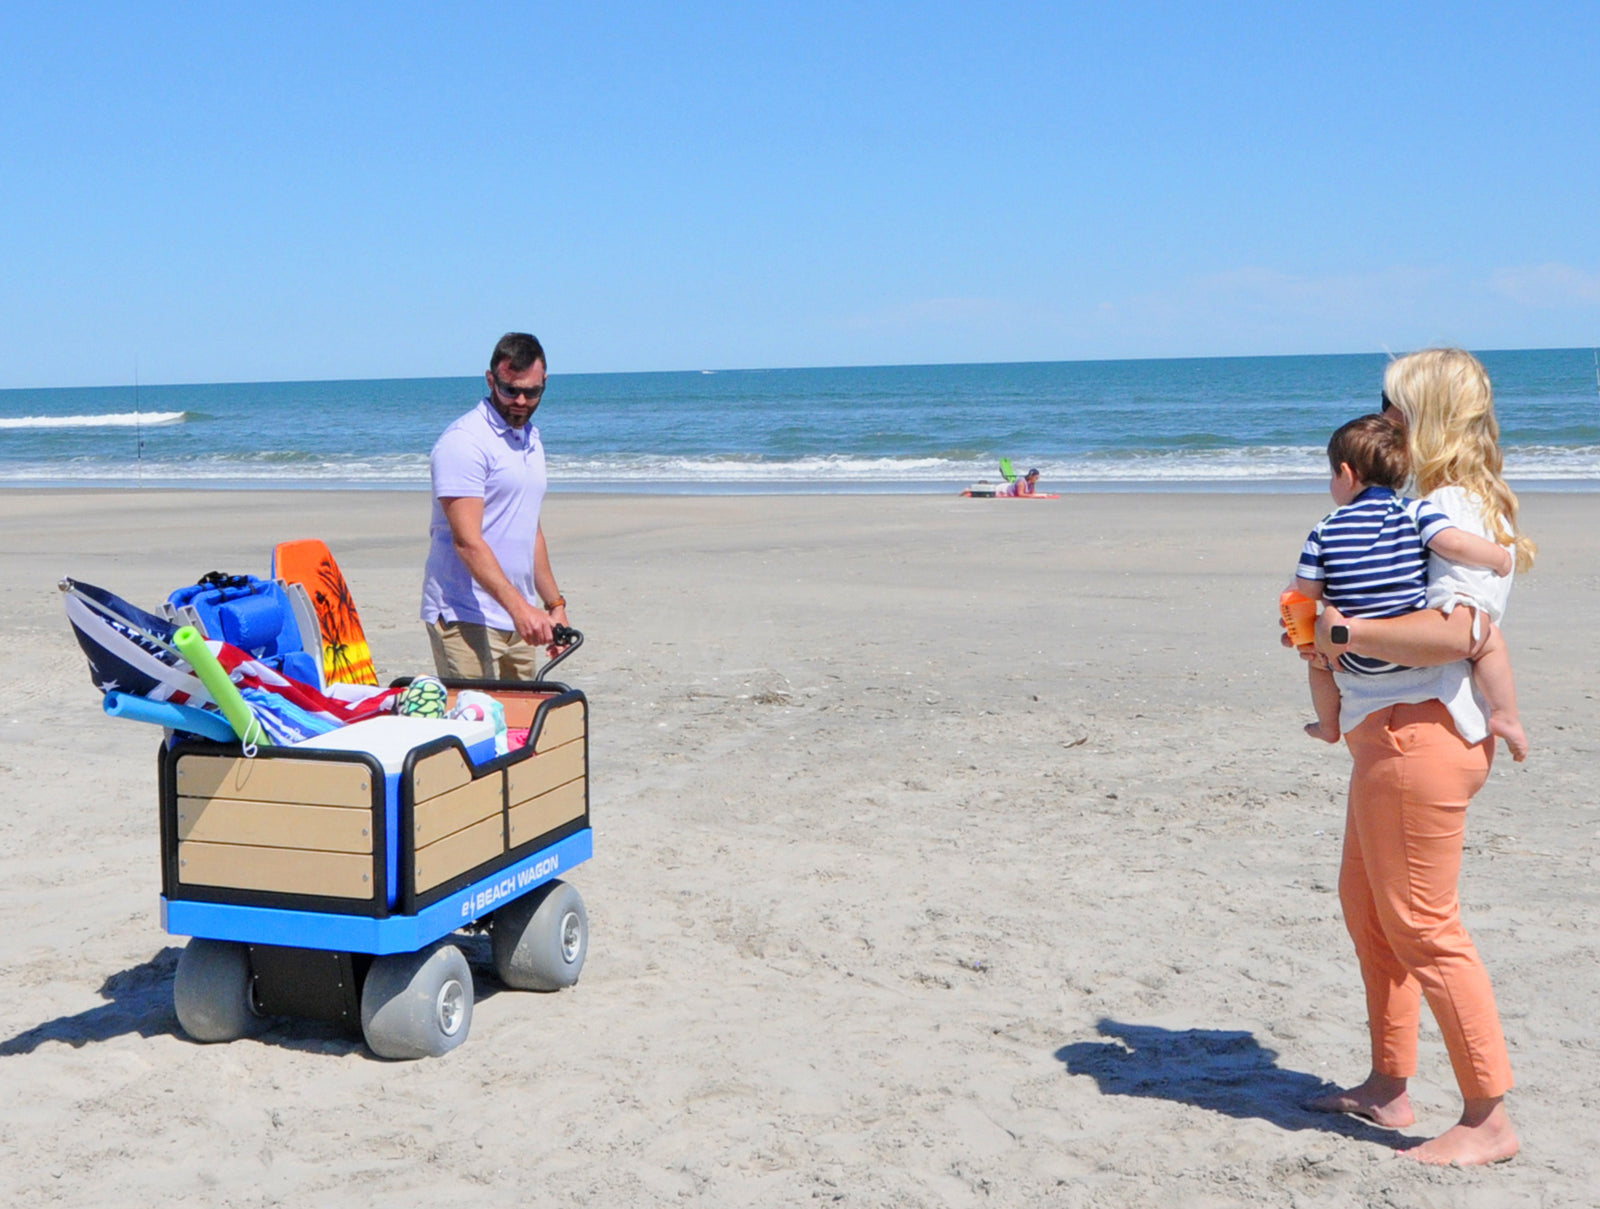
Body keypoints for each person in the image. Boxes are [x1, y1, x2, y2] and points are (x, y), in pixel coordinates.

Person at [1299, 348, 1535, 1166]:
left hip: (1421, 734)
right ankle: (1389, 1081)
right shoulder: (1416, 502)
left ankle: (1487, 1116)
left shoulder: (1452, 505)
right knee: (1370, 916)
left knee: (1426, 928)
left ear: (1426, 412)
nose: (1385, 418)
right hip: (1385, 734)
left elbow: (1460, 632)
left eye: (1395, 404)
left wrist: (1341, 634)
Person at [1291, 412, 1521, 754]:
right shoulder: (1414, 511)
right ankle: (1505, 715)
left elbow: (1303, 593)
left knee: (1318, 665)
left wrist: (1308, 638)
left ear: (1347, 474)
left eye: (1332, 475)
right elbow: (1454, 543)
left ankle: (1328, 724)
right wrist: (1499, 558)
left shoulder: (1324, 528)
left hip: (1351, 657)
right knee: (1489, 642)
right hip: (1411, 647)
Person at [420, 332, 569, 681]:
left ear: (544, 383)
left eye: (532, 392)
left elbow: (529, 530)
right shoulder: (464, 442)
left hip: (517, 616)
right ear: (490, 379)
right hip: (464, 614)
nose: (520, 401)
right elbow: (466, 542)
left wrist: (555, 607)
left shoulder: (531, 440)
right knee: (477, 726)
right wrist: (522, 609)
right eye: (509, 389)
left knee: (522, 726)